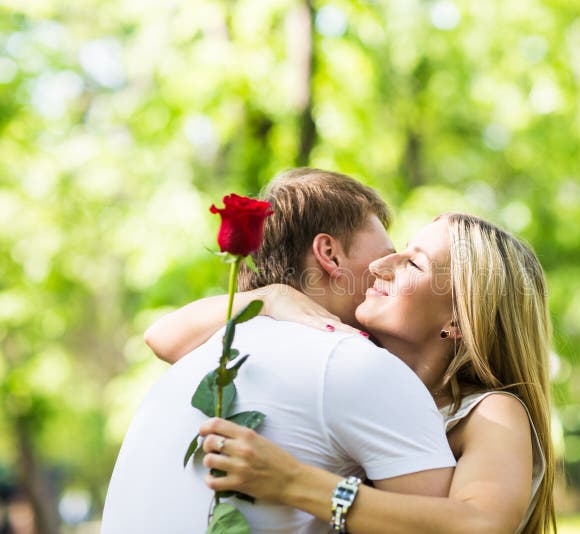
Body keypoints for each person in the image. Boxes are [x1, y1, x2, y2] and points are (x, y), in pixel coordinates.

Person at [148, 212, 557, 533]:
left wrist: (292, 483)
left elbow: (481, 525)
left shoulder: (491, 412)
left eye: (413, 263)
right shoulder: (352, 369)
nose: (382, 263)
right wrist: (270, 296)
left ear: (460, 320)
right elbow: (164, 337)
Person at [101, 169, 457, 534]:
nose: (386, 268)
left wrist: (268, 296)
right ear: (329, 254)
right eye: (387, 254)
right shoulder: (355, 364)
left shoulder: (199, 359)